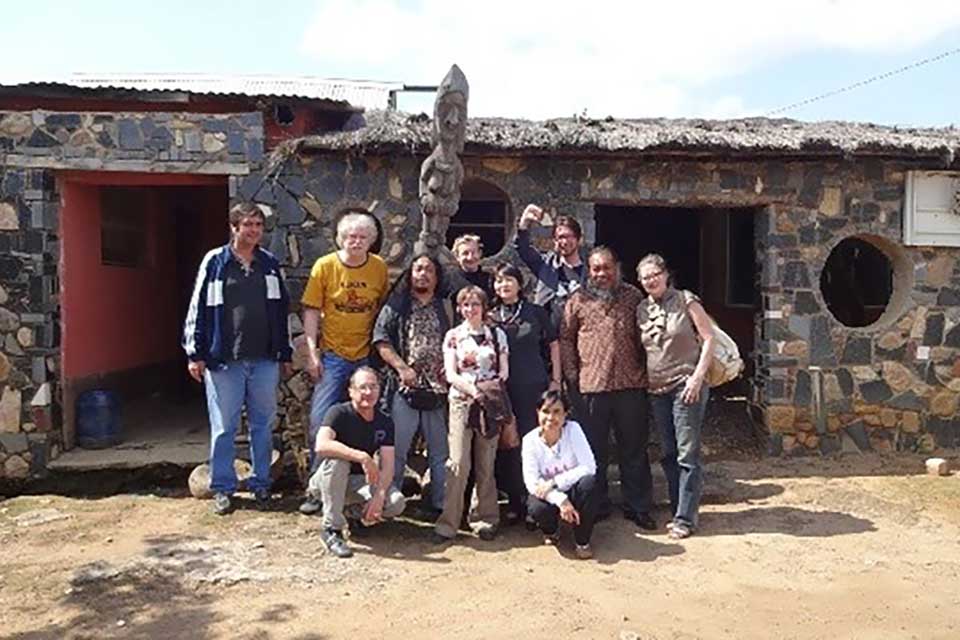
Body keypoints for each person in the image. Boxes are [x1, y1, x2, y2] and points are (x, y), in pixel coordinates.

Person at [183, 201, 292, 515]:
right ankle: (223, 487)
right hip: (223, 360)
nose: (254, 231)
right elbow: (197, 307)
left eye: (258, 225)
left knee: (262, 425)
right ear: (234, 227)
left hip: (264, 360)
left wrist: (283, 352)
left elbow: (281, 311)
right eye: (248, 225)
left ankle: (261, 484)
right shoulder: (216, 262)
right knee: (224, 427)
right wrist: (195, 352)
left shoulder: (269, 264)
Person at [560, 246, 655, 530]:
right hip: (591, 386)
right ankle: (597, 505)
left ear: (617, 268)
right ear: (589, 270)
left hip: (631, 384)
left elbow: (647, 334)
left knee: (634, 449)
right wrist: (572, 375)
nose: (601, 274)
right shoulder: (577, 300)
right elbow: (565, 338)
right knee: (593, 451)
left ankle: (637, 507)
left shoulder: (633, 296)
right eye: (595, 269)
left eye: (606, 268)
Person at [300, 211, 389, 514]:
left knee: (367, 421)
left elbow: (382, 310)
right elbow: (311, 311)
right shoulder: (325, 266)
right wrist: (312, 353)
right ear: (340, 238)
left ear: (371, 241)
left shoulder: (378, 268)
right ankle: (316, 488)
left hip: (365, 355)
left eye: (363, 237)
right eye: (350, 236)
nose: (356, 241)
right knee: (320, 419)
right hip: (334, 356)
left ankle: (364, 486)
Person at [636, 253, 714, 540]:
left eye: (655, 273)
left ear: (666, 273)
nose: (651, 280)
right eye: (645, 277)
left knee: (687, 454)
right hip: (657, 389)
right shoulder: (642, 309)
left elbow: (708, 338)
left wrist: (697, 377)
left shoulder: (686, 300)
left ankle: (686, 518)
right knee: (669, 453)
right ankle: (678, 508)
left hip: (686, 385)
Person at [372, 253, 452, 515]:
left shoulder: (447, 308)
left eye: (429, 270)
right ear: (410, 273)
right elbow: (381, 339)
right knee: (396, 448)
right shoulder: (397, 305)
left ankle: (441, 504)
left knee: (440, 452)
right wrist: (402, 368)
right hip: (404, 389)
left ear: (437, 277)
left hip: (439, 391)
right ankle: (389, 501)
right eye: (418, 268)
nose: (423, 274)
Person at [433, 286, 509, 543]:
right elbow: (451, 374)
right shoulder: (453, 336)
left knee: (486, 462)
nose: (471, 309)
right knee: (458, 463)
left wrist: (485, 392)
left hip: (489, 404)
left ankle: (485, 518)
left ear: (483, 307)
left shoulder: (497, 335)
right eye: (466, 304)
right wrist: (473, 390)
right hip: (461, 404)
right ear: (459, 308)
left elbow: (504, 371)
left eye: (475, 304)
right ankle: (449, 522)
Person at [306, 367, 406, 558]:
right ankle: (331, 530)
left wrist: (379, 495)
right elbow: (321, 445)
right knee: (339, 462)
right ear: (351, 391)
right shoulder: (338, 413)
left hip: (359, 482)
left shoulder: (384, 421)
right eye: (362, 387)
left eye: (373, 387)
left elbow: (388, 465)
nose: (368, 392)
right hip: (328, 480)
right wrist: (362, 456)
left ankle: (354, 516)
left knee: (395, 503)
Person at [489, 262, 561, 523]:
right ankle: (513, 500)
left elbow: (554, 344)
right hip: (502, 391)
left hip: (534, 387)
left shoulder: (535, 312)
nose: (504, 285)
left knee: (535, 442)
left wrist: (556, 379)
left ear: (520, 284)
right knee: (507, 445)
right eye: (499, 280)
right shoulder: (490, 315)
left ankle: (536, 501)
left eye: (509, 279)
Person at [522, 390, 599, 559]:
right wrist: (560, 500)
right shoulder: (529, 441)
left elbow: (589, 467)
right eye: (546, 411)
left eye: (557, 412)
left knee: (590, 484)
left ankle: (582, 540)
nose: (551, 418)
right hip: (549, 495)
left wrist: (555, 482)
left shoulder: (574, 430)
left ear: (566, 414)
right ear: (538, 413)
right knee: (536, 507)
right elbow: (531, 482)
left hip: (574, 489)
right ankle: (551, 530)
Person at [513, 203, 588, 331]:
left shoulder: (589, 273)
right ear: (555, 241)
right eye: (560, 237)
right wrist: (524, 222)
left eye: (569, 236)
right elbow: (523, 248)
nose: (564, 242)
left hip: (577, 338)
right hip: (547, 337)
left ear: (579, 239)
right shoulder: (546, 265)